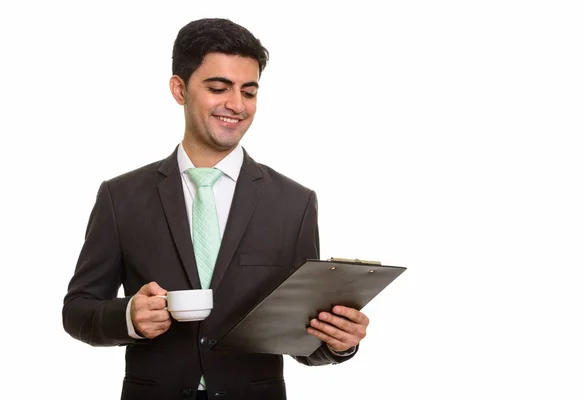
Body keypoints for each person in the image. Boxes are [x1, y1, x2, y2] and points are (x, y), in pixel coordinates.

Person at [62, 18, 370, 400]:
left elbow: (299, 337)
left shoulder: (295, 202)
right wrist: (128, 317)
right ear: (180, 89)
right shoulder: (120, 197)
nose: (236, 105)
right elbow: (77, 311)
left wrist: (339, 342)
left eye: (249, 91)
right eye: (218, 88)